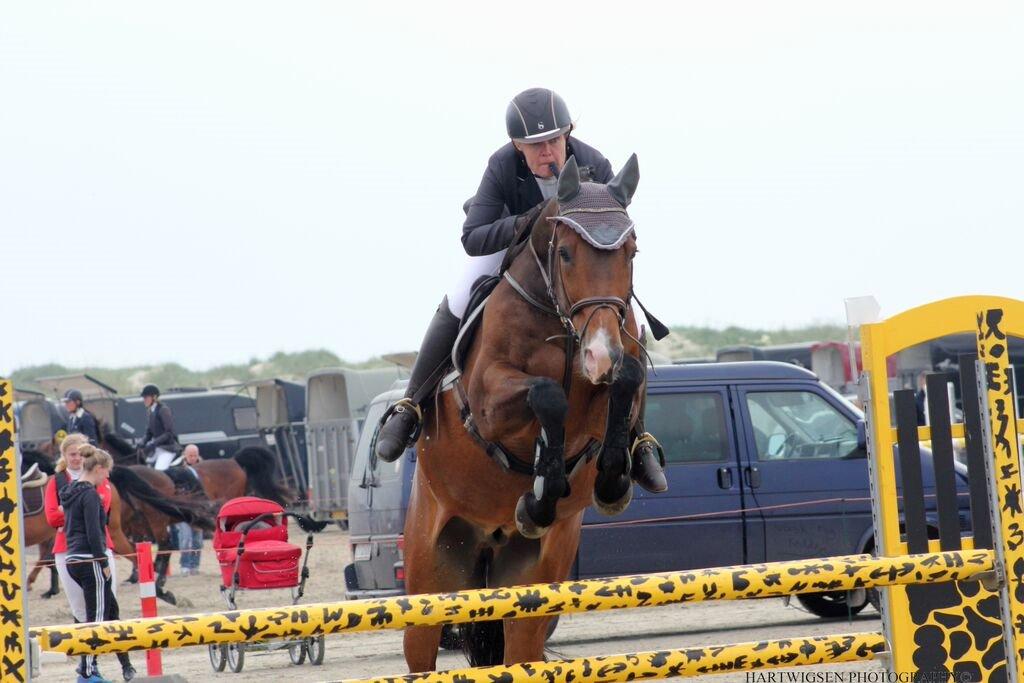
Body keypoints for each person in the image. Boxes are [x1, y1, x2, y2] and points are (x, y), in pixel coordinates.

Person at [375, 87, 667, 492]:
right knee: (461, 295)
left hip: (572, 263)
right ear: (517, 145)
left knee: (624, 313)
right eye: (536, 146)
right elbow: (472, 236)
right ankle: (410, 404)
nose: (548, 152)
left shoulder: (594, 162)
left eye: (554, 141)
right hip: (515, 255)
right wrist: (530, 221)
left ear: (568, 133)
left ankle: (638, 439)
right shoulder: (501, 166)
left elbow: (610, 228)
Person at [54, 442, 135, 682]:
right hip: (90, 560)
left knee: (109, 609)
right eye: (107, 471)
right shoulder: (90, 494)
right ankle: (87, 670)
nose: (108, 476)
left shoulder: (71, 490)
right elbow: (93, 532)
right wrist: (103, 561)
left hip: (73, 559)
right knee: (96, 619)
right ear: (98, 468)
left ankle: (122, 666)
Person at [172, 444, 204, 576]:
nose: (193, 458)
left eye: (195, 455)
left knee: (197, 539)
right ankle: (185, 565)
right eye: (190, 455)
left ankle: (195, 565)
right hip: (183, 509)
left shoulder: (203, 468)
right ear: (185, 455)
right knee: (185, 537)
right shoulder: (176, 468)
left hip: (198, 509)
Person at [139, 384, 178, 470]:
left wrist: (154, 443)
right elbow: (149, 432)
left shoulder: (163, 410)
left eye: (146, 397)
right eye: (144, 398)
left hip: (167, 449)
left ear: (154, 397)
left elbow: (169, 432)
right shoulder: (151, 411)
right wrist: (142, 442)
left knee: (159, 471)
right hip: (158, 449)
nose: (144, 400)